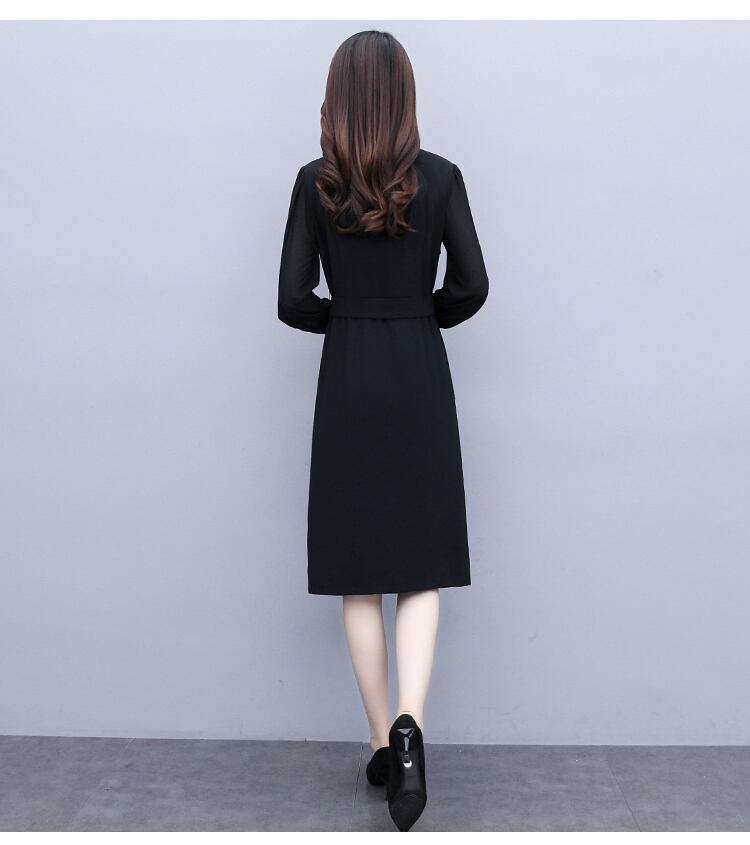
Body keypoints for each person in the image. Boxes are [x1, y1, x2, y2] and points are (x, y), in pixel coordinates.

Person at [277, 29, 489, 832]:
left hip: (349, 375)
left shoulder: (315, 184)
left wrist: (350, 319)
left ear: (336, 98)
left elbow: (292, 299)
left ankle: (377, 737)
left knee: (358, 572)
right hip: (419, 371)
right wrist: (418, 316)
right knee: (419, 569)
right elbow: (473, 284)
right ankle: (409, 725)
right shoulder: (442, 178)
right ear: (405, 96)